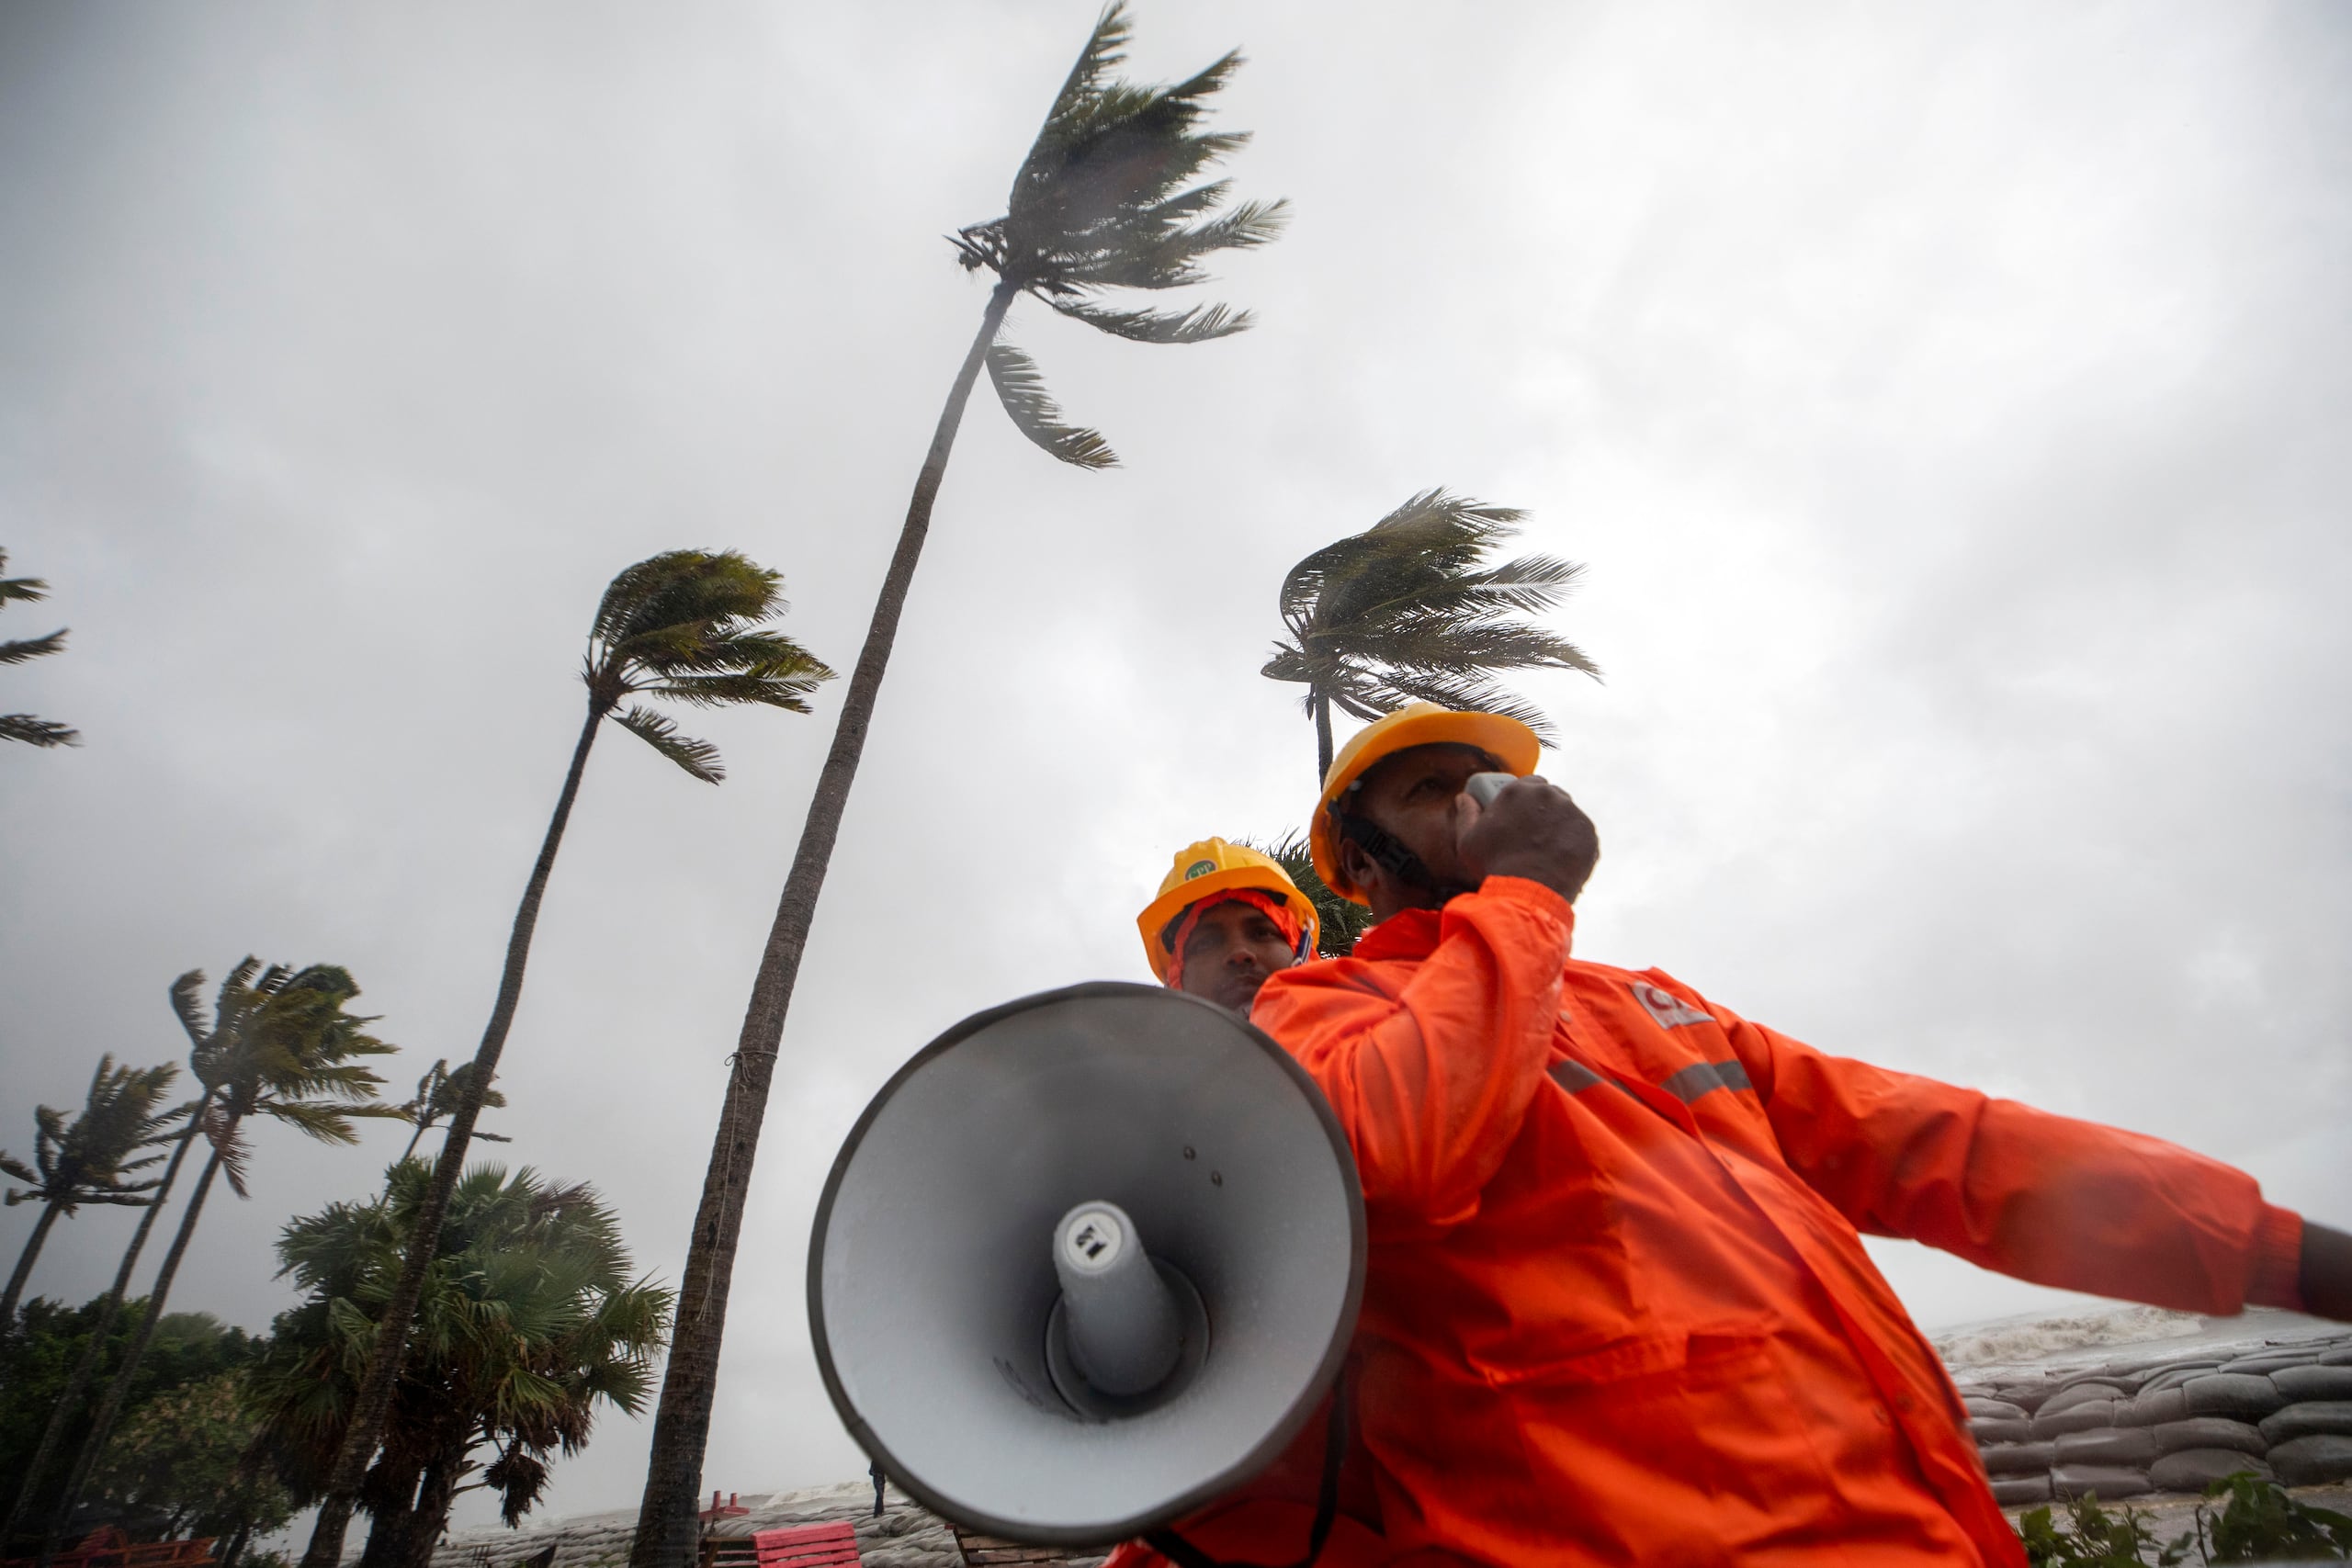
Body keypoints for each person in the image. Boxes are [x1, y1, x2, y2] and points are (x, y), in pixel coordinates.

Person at [1220, 701, 2352, 1568]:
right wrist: (1523, 897)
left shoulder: (1651, 1006)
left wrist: (2279, 1252)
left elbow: (1939, 1147)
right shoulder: (1318, 1013)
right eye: (1433, 790)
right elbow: (1405, 1153)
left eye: (1492, 781)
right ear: (1361, 867)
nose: (1479, 801)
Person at [1136, 838, 1319, 1015]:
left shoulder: (1347, 1031)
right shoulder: (1140, 1045)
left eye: (1262, 933)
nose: (1239, 953)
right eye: (1206, 943)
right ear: (1176, 981)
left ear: (1302, 950)